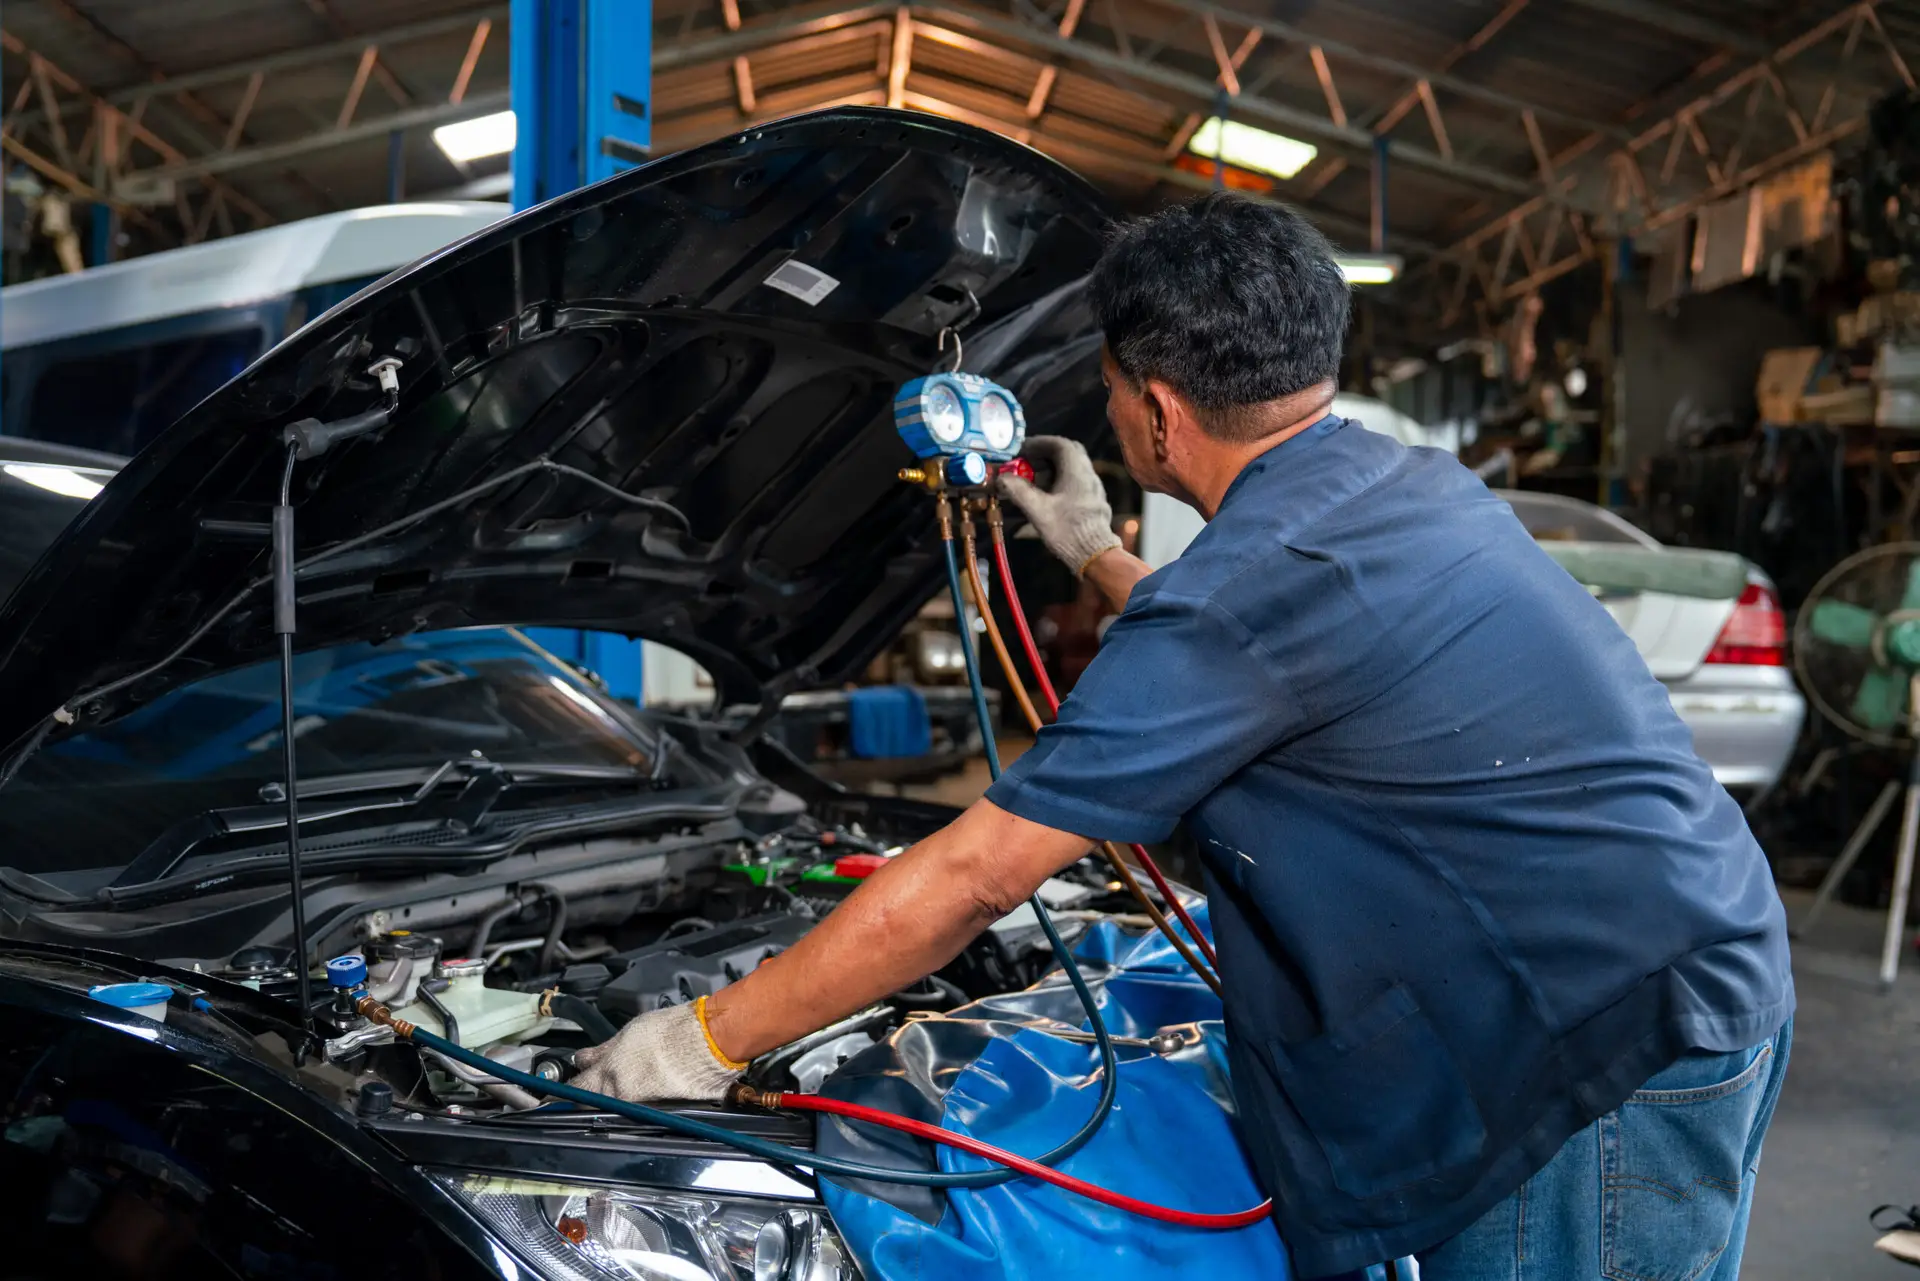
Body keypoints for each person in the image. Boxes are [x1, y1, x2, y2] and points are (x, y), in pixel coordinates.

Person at [574, 193, 1793, 1280]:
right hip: (1692, 953)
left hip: (1599, 1048)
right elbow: (1280, 654)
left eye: (1106, 389)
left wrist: (704, 1040)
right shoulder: (1398, 482)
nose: (1106, 414)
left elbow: (977, 877)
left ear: (1158, 408)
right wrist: (1094, 552)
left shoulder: (1239, 598)